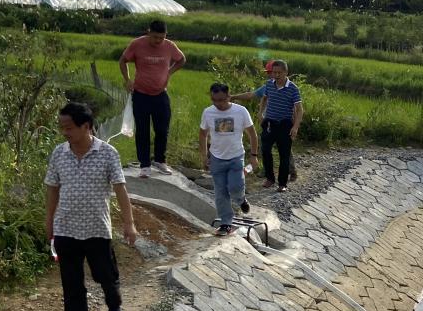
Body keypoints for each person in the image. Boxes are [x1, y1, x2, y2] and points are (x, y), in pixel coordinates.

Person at [44, 101, 138, 311]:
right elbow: (52, 190)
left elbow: (120, 189)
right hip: (66, 228)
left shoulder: (107, 153)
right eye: (62, 127)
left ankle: (114, 303)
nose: (64, 132)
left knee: (105, 275)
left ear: (86, 126)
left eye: (69, 127)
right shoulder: (59, 154)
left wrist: (129, 224)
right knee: (71, 281)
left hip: (97, 228)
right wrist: (50, 220)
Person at [119, 19, 186, 177]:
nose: (158, 41)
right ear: (148, 32)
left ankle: (160, 160)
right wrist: (127, 79)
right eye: (155, 37)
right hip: (141, 94)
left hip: (160, 94)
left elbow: (182, 59)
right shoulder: (137, 44)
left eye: (161, 38)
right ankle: (145, 165)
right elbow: (123, 61)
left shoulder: (169, 46)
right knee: (142, 130)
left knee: (162, 129)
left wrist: (169, 72)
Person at [199, 83, 260, 236]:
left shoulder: (240, 111)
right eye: (214, 100)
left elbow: (252, 134)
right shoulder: (208, 112)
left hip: (236, 157)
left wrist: (253, 156)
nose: (218, 104)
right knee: (220, 193)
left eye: (221, 100)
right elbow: (203, 134)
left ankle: (241, 200)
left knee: (235, 187)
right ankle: (226, 223)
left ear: (228, 96)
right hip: (216, 158)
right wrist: (204, 156)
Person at [254, 60, 303, 192]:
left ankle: (282, 184)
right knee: (265, 151)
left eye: (279, 73)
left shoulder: (293, 88)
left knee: (284, 155)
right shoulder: (269, 84)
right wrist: (260, 113)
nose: (276, 75)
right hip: (269, 122)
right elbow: (264, 98)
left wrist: (295, 127)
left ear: (286, 72)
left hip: (285, 124)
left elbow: (299, 110)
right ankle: (270, 178)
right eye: (274, 72)